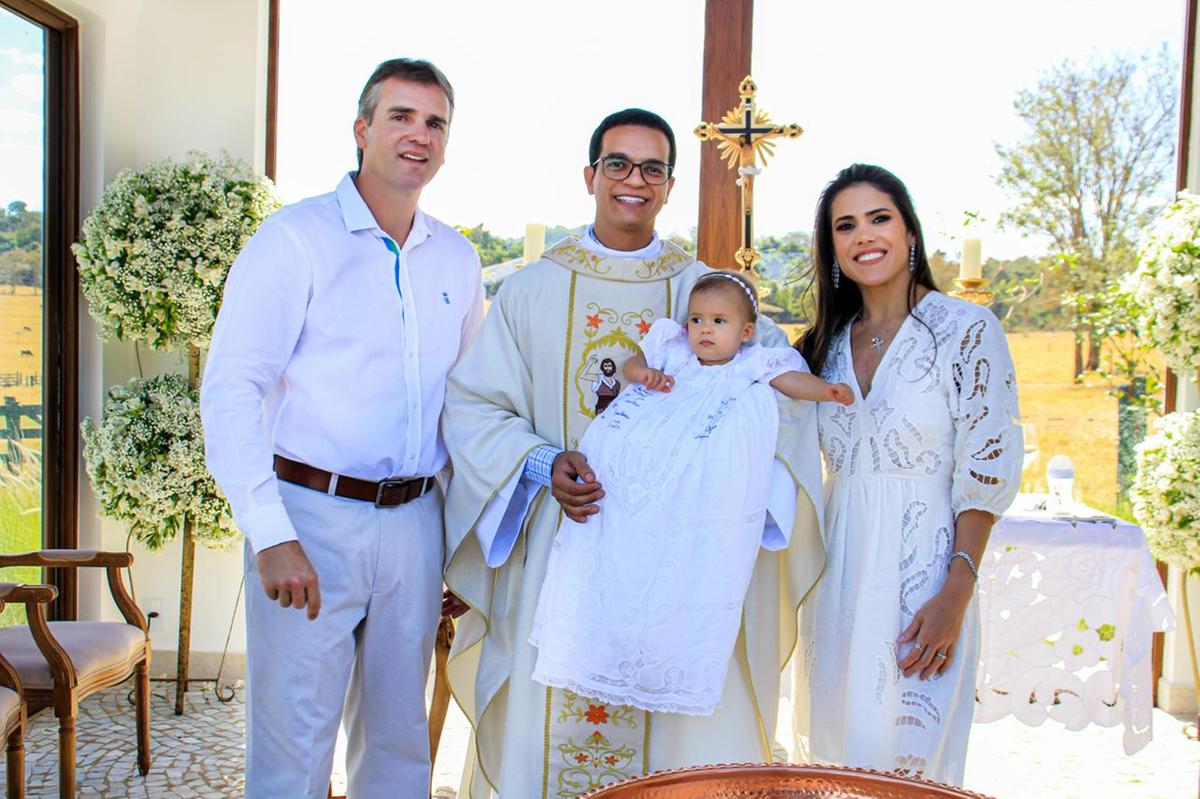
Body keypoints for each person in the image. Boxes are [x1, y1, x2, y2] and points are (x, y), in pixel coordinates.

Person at [442, 109, 826, 798]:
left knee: (675, 760)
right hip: (563, 547)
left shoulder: (709, 294)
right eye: (617, 163)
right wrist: (541, 464)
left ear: (671, 185)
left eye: (652, 168)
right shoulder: (532, 290)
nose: (633, 180)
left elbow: (779, 398)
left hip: (681, 569)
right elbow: (474, 407)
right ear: (590, 174)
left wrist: (722, 492)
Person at [200, 58, 483, 799]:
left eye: (435, 122)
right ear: (362, 129)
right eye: (401, 116)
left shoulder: (456, 256)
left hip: (416, 521)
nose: (418, 135)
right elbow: (231, 388)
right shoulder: (293, 241)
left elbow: (468, 405)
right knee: (293, 746)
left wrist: (455, 541)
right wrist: (269, 531)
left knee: (397, 747)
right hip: (310, 519)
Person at [530, 270, 853, 717]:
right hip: (644, 474)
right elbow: (630, 363)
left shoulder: (753, 363)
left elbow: (789, 382)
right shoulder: (675, 354)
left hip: (690, 487)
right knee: (622, 549)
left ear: (745, 333)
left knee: (677, 562)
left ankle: (663, 653)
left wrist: (827, 391)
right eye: (697, 320)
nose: (704, 329)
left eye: (719, 322)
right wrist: (643, 372)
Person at [792, 164, 1023, 785]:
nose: (864, 235)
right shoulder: (820, 346)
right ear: (833, 247)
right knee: (838, 769)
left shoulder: (967, 331)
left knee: (910, 769)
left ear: (910, 232)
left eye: (879, 218)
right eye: (846, 225)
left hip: (926, 578)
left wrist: (957, 590)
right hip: (835, 579)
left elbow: (986, 468)